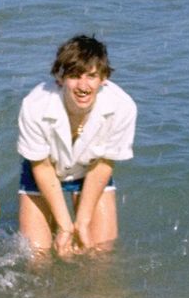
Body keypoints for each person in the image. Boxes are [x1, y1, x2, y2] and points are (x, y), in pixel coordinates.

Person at [17, 35, 137, 258]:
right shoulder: (34, 106)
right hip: (45, 169)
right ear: (59, 78)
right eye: (74, 76)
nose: (83, 86)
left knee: (100, 253)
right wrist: (65, 226)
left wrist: (82, 221)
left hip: (91, 169)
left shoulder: (122, 107)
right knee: (37, 257)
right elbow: (41, 167)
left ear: (104, 78)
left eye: (91, 76)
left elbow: (103, 164)